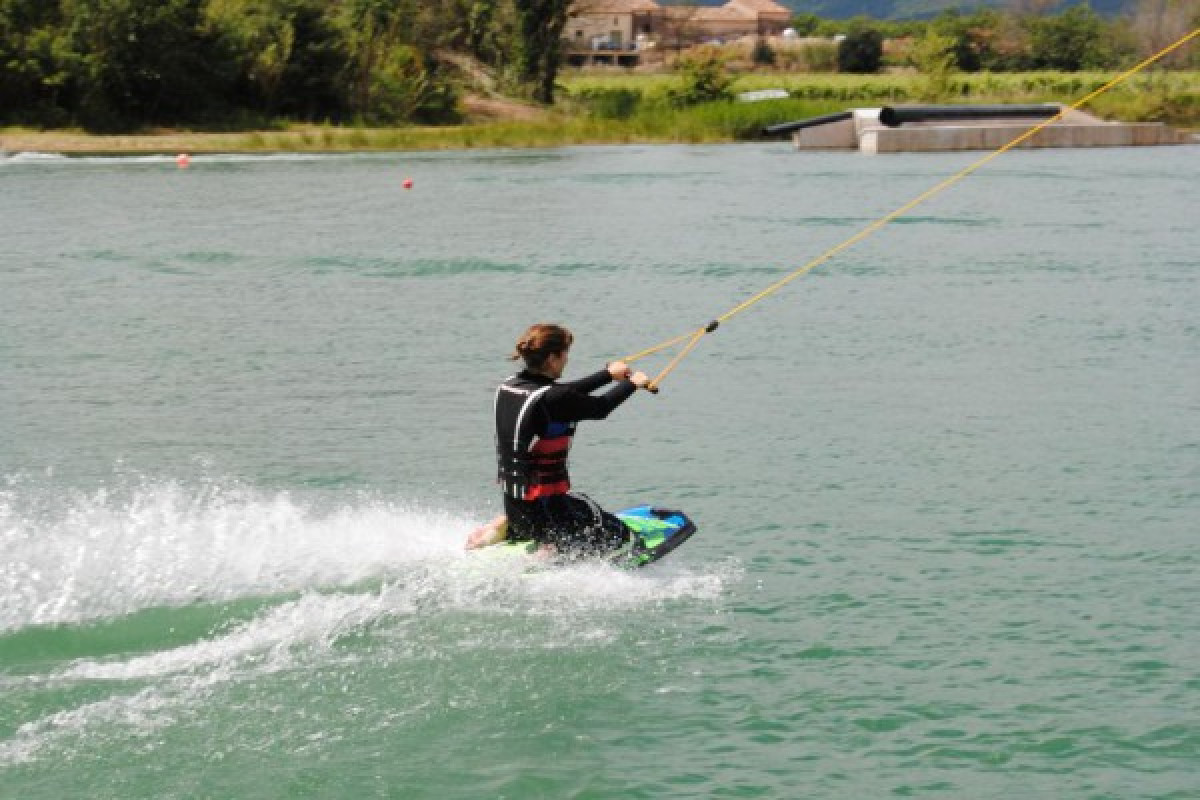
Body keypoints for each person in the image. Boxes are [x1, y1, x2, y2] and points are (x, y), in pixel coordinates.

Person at [465, 323, 650, 557]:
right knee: (618, 534)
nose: (566, 360)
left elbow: (561, 393)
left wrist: (607, 375)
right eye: (565, 354)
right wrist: (633, 383)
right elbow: (599, 407)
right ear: (553, 358)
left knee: (546, 511)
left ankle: (504, 527)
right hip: (547, 511)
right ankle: (551, 552)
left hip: (516, 506)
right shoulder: (554, 398)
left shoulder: (509, 386)